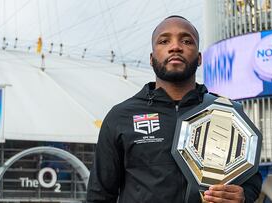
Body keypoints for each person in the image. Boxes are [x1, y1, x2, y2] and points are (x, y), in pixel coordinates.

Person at [86, 15, 262, 203]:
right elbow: (100, 194)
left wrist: (243, 196)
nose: (176, 47)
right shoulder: (121, 116)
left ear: (200, 58)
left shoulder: (226, 113)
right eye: (164, 41)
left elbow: (250, 178)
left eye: (186, 41)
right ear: (152, 59)